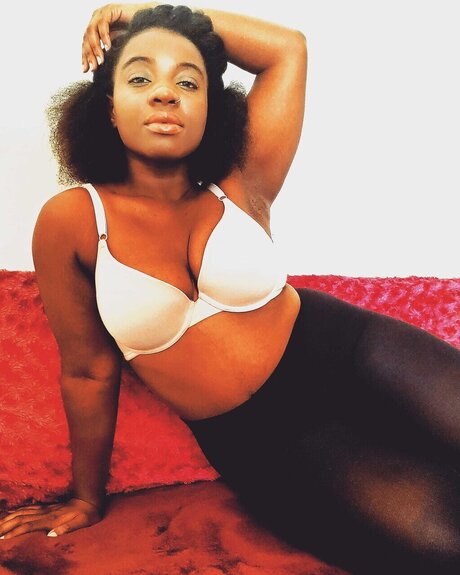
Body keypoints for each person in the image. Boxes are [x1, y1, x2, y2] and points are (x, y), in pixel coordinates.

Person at [1, 3, 459, 573]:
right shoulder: (73, 218)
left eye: (187, 82)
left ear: (209, 110)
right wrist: (86, 498)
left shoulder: (240, 181)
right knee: (444, 545)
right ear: (110, 109)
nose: (165, 93)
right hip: (267, 439)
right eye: (140, 78)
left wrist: (152, 13)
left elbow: (287, 49)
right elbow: (89, 370)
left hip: (351, 350)